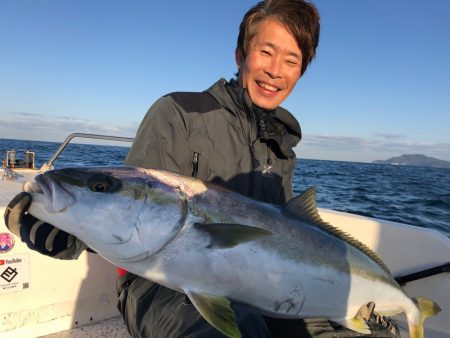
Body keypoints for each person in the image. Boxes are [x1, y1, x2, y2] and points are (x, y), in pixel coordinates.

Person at [4, 1, 400, 337]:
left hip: (262, 287)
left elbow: (288, 231)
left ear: (300, 72)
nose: (275, 69)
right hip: (160, 284)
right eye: (265, 51)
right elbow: (136, 214)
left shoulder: (281, 148)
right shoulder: (179, 113)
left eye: (291, 60)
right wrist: (67, 231)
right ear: (240, 54)